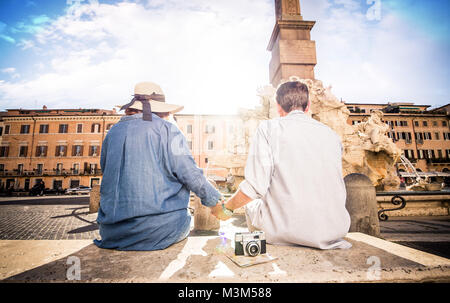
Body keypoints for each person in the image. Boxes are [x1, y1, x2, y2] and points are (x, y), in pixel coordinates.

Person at [212, 80, 352, 250]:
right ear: (307, 106)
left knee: (251, 205)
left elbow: (255, 186)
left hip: (284, 232)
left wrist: (226, 209)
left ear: (278, 107)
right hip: (333, 232)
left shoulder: (268, 128)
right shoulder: (332, 135)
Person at [94, 82, 223, 251]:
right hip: (160, 231)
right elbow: (190, 173)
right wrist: (216, 202)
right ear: (161, 109)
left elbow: (106, 169)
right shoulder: (169, 130)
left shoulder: (112, 133)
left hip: (111, 233)